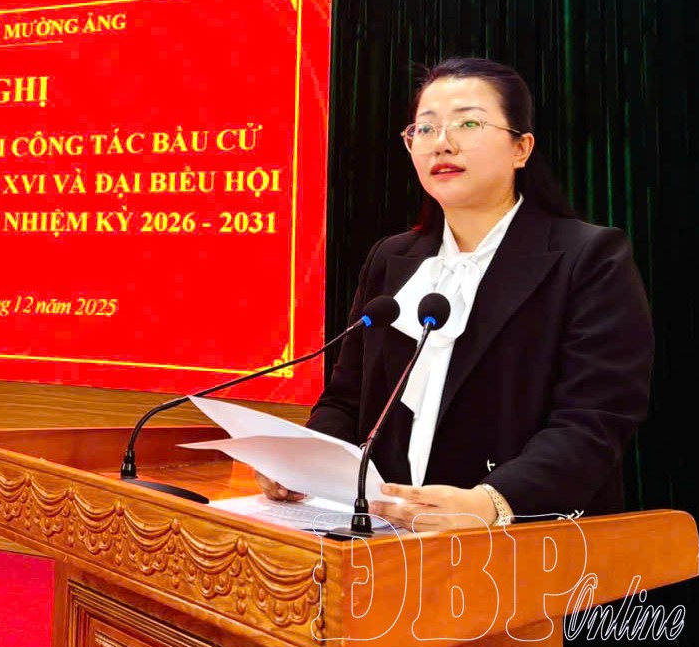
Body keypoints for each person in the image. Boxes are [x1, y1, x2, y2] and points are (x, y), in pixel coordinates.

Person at [257, 57, 653, 534]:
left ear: (521, 148)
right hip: (383, 537)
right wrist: (299, 461)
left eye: (468, 123)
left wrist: (492, 502)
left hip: (525, 542)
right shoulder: (392, 258)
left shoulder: (588, 258)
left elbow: (595, 419)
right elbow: (345, 401)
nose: (441, 142)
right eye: (424, 129)